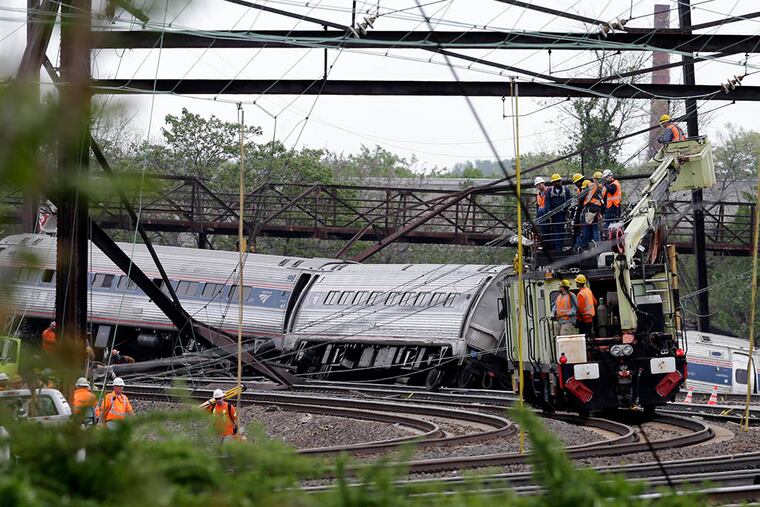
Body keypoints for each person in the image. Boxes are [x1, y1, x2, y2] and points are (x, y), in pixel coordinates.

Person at [546, 173, 572, 251]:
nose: (560, 182)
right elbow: (547, 202)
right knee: (554, 230)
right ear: (554, 183)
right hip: (554, 215)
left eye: (560, 181)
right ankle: (556, 248)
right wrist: (550, 212)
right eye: (558, 181)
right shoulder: (550, 191)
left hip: (562, 214)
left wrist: (565, 209)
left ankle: (558, 248)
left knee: (560, 231)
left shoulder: (565, 190)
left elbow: (569, 201)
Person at [582, 174, 604, 249]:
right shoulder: (601, 188)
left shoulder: (591, 186)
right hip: (597, 209)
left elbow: (582, 196)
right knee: (595, 228)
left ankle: (585, 246)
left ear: (594, 179)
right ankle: (597, 245)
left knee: (587, 228)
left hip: (590, 209)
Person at [601, 169, 622, 237]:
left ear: (610, 176)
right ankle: (610, 237)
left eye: (607, 177)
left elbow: (612, 190)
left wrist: (605, 184)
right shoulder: (611, 184)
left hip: (614, 207)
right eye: (605, 178)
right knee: (609, 224)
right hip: (610, 207)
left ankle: (612, 237)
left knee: (611, 224)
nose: (606, 179)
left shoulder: (614, 184)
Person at [534, 177, 549, 249]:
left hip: (548, 214)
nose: (538, 187)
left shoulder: (549, 191)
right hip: (541, 215)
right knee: (541, 230)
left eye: (539, 185)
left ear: (543, 183)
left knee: (547, 230)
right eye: (537, 185)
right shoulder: (538, 195)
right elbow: (538, 206)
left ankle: (547, 245)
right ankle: (543, 245)